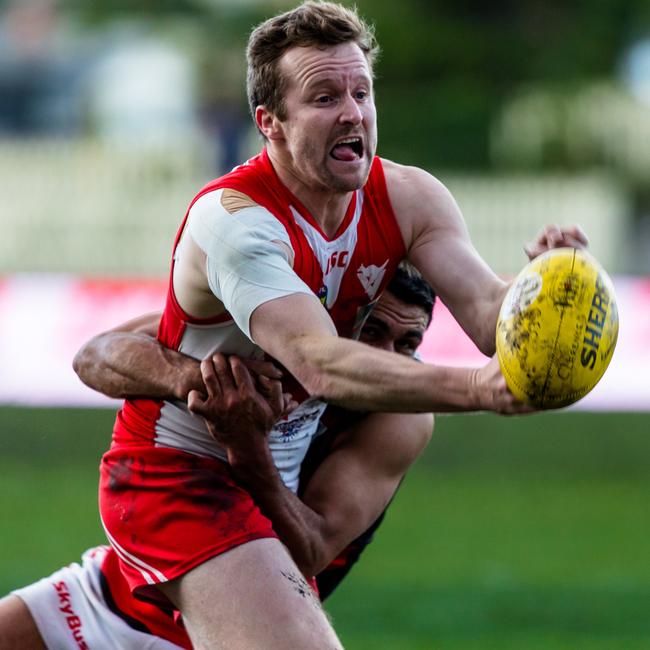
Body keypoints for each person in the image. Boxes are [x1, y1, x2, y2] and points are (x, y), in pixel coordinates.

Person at [89, 2, 588, 647]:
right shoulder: (235, 221)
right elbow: (316, 361)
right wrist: (480, 389)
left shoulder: (411, 197)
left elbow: (493, 318)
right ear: (269, 122)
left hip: (271, 482)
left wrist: (547, 292)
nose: (352, 111)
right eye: (324, 96)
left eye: (361, 91)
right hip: (177, 476)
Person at [0, 267, 436, 650]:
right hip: (108, 594)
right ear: (336, 320)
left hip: (232, 625)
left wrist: (248, 450)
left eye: (408, 343)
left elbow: (310, 550)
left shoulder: (400, 418)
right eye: (373, 332)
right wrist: (191, 377)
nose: (387, 361)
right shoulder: (267, 331)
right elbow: (94, 355)